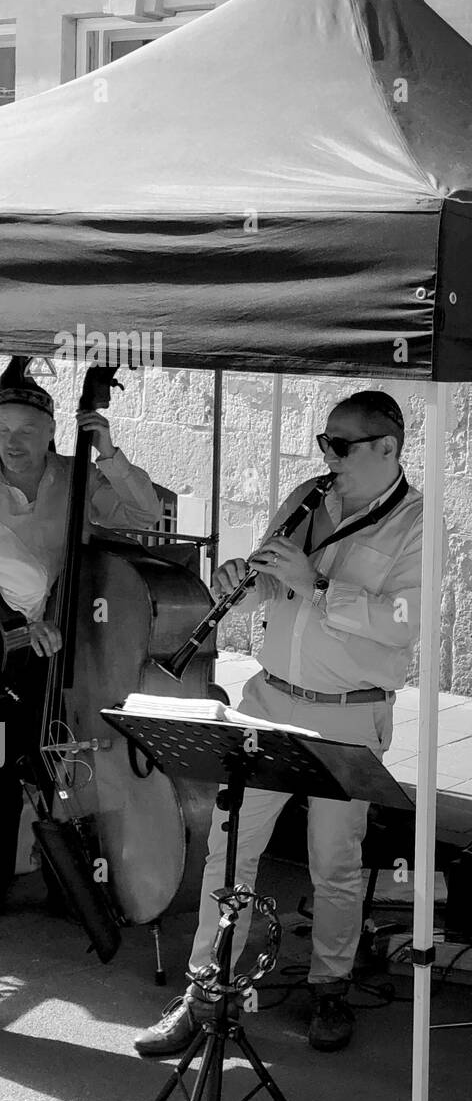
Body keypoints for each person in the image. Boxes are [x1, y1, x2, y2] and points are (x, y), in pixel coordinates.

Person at [136, 390, 423, 1056]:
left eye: (342, 445)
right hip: (269, 701)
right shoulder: (307, 494)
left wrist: (317, 585)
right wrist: (249, 576)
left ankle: (330, 986)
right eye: (323, 441)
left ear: (388, 447)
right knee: (230, 847)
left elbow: (406, 621)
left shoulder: (417, 522)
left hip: (348, 713)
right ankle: (205, 988)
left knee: (334, 860)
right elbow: (274, 581)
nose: (327, 456)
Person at [0, 357, 161, 908]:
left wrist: (107, 452)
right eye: (1, 431)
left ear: (51, 433)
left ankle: (68, 880)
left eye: (26, 431)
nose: (12, 442)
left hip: (74, 644)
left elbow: (145, 515)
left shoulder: (76, 475)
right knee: (5, 758)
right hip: (10, 644)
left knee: (65, 759)